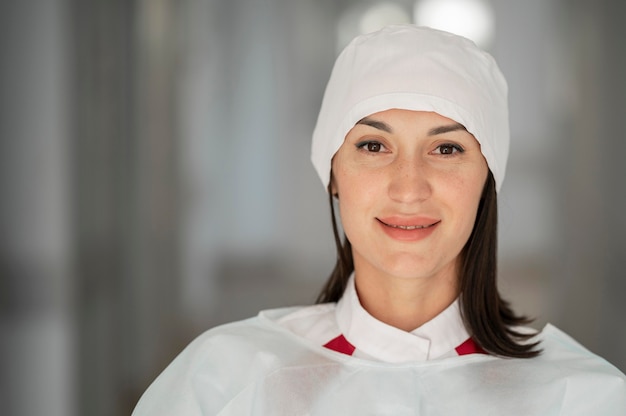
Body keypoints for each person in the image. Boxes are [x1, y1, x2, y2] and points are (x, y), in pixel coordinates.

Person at [133, 25, 626, 415]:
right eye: (373, 145)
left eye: (447, 148)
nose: (409, 187)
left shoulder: (581, 397)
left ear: (487, 178)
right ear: (332, 172)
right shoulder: (225, 381)